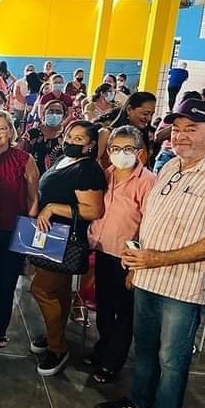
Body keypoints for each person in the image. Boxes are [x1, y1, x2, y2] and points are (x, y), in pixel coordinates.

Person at [97, 98, 205, 408]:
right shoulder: (170, 166)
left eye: (192, 129)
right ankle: (139, 403)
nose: (181, 135)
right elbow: (152, 220)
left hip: (184, 287)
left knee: (172, 359)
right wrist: (138, 261)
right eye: (177, 128)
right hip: (148, 278)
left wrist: (158, 259)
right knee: (145, 348)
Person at [30, 121, 106, 376]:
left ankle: (58, 348)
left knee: (41, 289)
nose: (71, 141)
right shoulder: (64, 159)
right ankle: (55, 334)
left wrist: (52, 208)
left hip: (64, 238)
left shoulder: (87, 170)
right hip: (49, 234)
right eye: (70, 136)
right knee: (60, 290)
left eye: (79, 139)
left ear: (90, 144)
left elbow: (93, 210)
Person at [86, 125, 156, 383]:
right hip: (104, 250)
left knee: (125, 312)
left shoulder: (147, 181)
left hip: (127, 257)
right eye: (115, 148)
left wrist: (136, 266)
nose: (121, 154)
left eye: (127, 149)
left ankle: (112, 362)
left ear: (139, 152)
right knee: (104, 306)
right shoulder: (106, 175)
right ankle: (103, 348)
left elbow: (149, 224)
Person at [0, 111, 39, 347]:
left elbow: (33, 200)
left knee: (7, 281)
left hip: (13, 229)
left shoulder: (24, 159)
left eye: (1, 128)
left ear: (11, 131)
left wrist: (28, 241)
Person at [96, 92, 156, 164]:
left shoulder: (142, 137)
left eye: (151, 114)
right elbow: (92, 163)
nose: (149, 118)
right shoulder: (106, 134)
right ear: (129, 109)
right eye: (145, 114)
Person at [20, 99, 67, 175]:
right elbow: (21, 154)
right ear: (44, 113)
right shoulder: (32, 133)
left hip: (59, 176)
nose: (54, 114)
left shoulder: (67, 135)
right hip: (33, 175)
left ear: (64, 116)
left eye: (58, 112)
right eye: (51, 111)